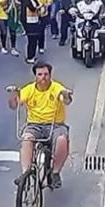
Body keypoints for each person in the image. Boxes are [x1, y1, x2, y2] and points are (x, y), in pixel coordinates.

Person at [8, 61, 72, 189]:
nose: (43, 77)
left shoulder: (56, 88)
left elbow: (66, 101)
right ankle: (25, 173)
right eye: (40, 74)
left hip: (55, 125)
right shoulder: (29, 89)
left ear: (50, 75)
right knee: (26, 139)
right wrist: (14, 96)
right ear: (35, 76)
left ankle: (55, 173)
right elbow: (14, 106)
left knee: (62, 140)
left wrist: (65, 95)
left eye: (46, 74)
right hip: (34, 125)